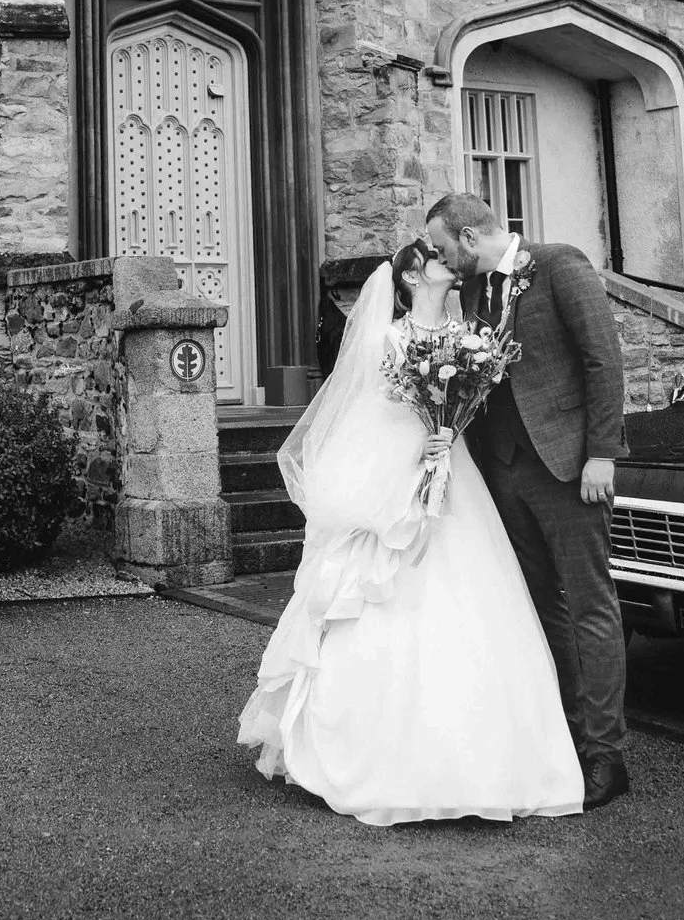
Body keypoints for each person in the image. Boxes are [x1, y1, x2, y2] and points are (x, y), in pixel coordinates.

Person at [237, 239, 584, 826]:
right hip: (399, 485)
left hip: (457, 481)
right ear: (412, 277)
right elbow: (366, 421)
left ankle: (490, 764)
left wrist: (451, 430)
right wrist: (415, 453)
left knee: (477, 597)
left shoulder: (468, 336)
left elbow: (470, 405)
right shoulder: (388, 340)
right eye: (436, 258)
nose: (450, 262)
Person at [423, 190, 631, 810]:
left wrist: (602, 453)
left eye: (442, 246)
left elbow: (603, 361)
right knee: (540, 606)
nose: (439, 257)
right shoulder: (471, 290)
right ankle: (565, 737)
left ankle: (607, 755)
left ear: (468, 237)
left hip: (567, 466)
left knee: (590, 605)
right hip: (503, 470)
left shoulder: (559, 264)